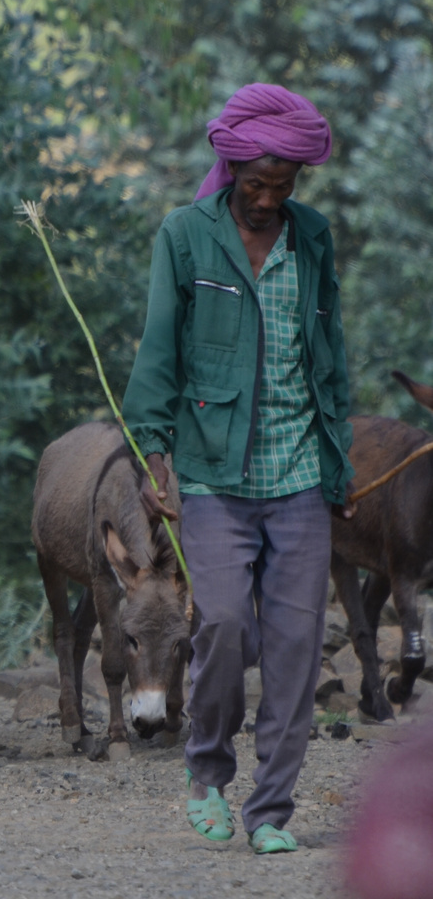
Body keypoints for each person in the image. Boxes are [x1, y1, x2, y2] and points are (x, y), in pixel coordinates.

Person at [123, 83, 354, 855]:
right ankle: (206, 771)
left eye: (280, 188)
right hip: (213, 477)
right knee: (221, 625)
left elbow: (331, 359)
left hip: (296, 478)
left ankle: (269, 812)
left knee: (293, 650)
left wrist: (337, 465)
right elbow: (158, 352)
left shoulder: (312, 238)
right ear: (228, 171)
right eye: (253, 185)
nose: (265, 200)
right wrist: (154, 457)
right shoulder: (185, 236)